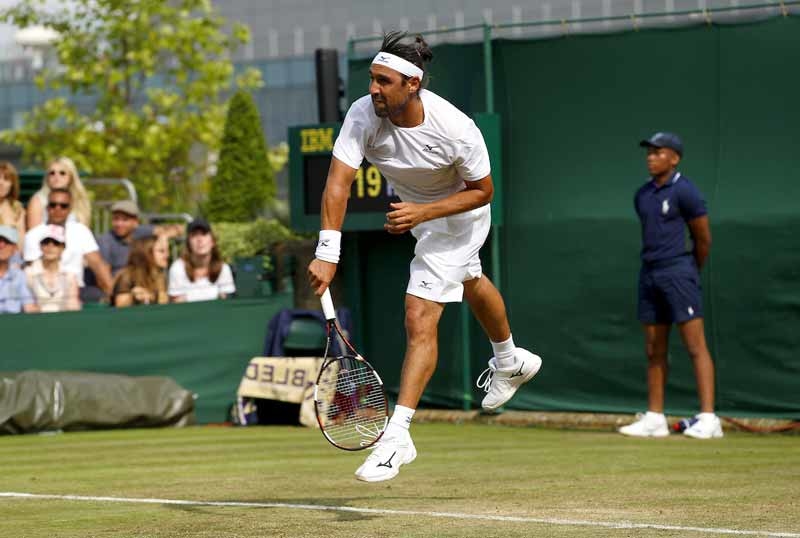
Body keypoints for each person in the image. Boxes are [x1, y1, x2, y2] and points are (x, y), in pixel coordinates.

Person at [306, 31, 542, 482]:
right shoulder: (362, 113)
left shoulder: (456, 128)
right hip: (424, 217)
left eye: (384, 81)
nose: (373, 89)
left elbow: (484, 191)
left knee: (419, 315)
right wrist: (327, 252)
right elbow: (338, 182)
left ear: (412, 84)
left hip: (460, 216)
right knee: (471, 279)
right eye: (372, 78)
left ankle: (398, 436)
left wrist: (424, 212)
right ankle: (510, 359)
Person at [619, 132, 723, 440]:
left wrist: (689, 270)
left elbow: (703, 239)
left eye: (658, 152)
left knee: (695, 346)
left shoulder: (686, 191)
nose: (651, 157)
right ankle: (655, 418)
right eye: (649, 153)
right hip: (649, 274)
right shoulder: (642, 195)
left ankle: (709, 418)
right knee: (654, 349)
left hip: (679, 272)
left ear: (674, 158)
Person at [24, 188, 113, 297]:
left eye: (63, 206)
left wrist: (112, 294)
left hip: (76, 288)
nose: (57, 209)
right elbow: (32, 269)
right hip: (42, 291)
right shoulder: (33, 235)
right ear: (47, 207)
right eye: (53, 205)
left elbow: (97, 264)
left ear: (70, 209)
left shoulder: (80, 230)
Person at [168, 218, 235, 302]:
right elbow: (177, 303)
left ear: (212, 241)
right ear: (188, 243)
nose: (199, 239)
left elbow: (226, 302)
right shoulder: (177, 269)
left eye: (204, 234)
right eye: (194, 235)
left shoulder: (224, 269)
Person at [25, 224, 80, 313]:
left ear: (62, 247)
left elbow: (73, 305)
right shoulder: (28, 273)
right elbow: (28, 307)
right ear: (40, 246)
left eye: (56, 243)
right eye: (46, 242)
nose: (50, 247)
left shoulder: (70, 275)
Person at [26, 156, 92, 229]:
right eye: (52, 173)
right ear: (47, 177)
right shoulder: (38, 200)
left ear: (71, 177)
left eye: (62, 173)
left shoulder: (79, 199)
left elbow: (84, 230)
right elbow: (34, 232)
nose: (56, 177)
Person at [112, 234, 169, 307]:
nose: (167, 255)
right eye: (161, 251)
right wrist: (133, 297)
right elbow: (119, 304)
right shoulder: (128, 275)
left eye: (167, 250)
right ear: (146, 253)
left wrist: (152, 296)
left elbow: (164, 300)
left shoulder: (159, 275)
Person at [0, 225, 35, 314]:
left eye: (7, 242)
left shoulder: (20, 276)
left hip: (13, 321)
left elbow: (29, 306)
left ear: (14, 248)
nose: (1, 245)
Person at [0, 161, 26, 258]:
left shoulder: (17, 208)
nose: (1, 183)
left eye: (6, 179)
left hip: (11, 259)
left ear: (12, 184)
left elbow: (21, 243)